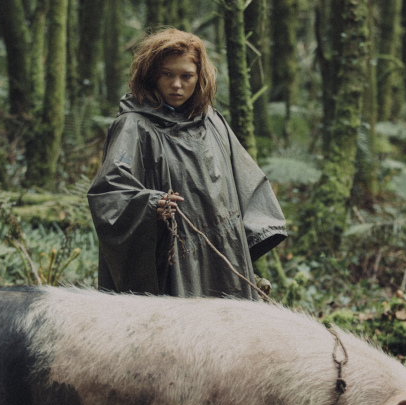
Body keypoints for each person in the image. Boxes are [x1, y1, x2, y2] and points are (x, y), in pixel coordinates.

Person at [88, 28, 287, 300]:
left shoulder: (211, 121)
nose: (176, 85)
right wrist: (150, 205)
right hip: (170, 262)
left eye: (186, 76)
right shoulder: (134, 126)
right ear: (151, 75)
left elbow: (245, 181)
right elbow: (110, 193)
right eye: (167, 74)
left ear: (199, 77)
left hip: (221, 255)